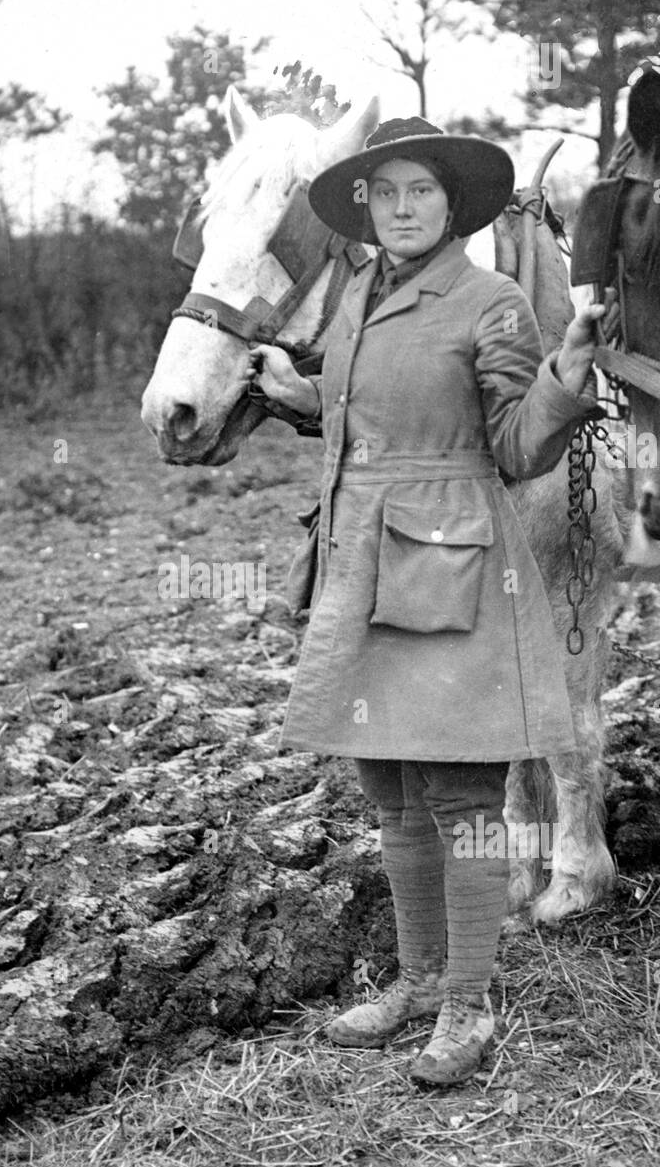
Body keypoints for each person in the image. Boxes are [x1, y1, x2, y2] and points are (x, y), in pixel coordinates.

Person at [247, 117, 615, 1086]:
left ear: (452, 205)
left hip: (450, 566)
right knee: (392, 792)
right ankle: (414, 983)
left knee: (459, 798)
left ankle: (467, 1003)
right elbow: (370, 406)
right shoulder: (358, 295)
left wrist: (567, 374)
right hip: (360, 561)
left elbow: (514, 445)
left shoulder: (488, 302)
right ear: (362, 209)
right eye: (384, 193)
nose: (401, 208)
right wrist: (299, 390)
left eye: (420, 191)